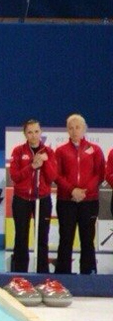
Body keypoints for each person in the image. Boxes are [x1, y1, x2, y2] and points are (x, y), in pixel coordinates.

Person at [54, 114, 105, 274]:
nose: (74, 131)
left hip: (89, 201)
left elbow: (99, 174)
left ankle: (88, 274)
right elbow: (57, 175)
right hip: (66, 201)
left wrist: (84, 192)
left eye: (77, 127)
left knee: (87, 239)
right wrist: (72, 190)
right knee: (66, 238)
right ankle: (63, 274)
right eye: (71, 128)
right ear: (67, 130)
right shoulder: (60, 151)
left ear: (84, 129)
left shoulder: (95, 150)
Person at [8, 119, 57, 273]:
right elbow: (15, 176)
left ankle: (42, 273)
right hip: (22, 199)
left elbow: (52, 177)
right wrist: (32, 166)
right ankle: (19, 273)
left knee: (42, 237)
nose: (34, 135)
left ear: (41, 132)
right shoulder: (18, 151)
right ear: (25, 134)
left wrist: (45, 163)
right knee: (21, 236)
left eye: (36, 131)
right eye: (30, 132)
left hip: (42, 199)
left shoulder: (49, 152)